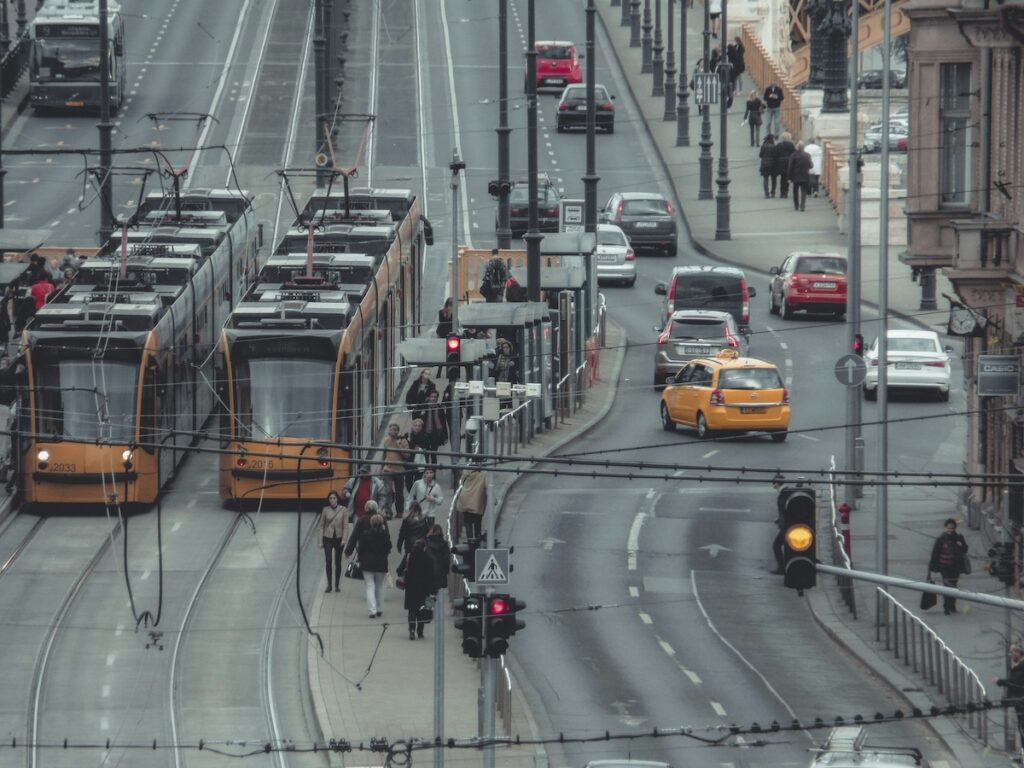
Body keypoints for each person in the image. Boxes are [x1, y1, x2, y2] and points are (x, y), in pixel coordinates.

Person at [345, 512, 392, 618]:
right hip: (381, 563)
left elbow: (360, 549)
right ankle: (380, 609)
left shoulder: (365, 534)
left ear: (371, 523)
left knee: (369, 586)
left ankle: (372, 611)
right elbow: (389, 547)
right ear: (382, 523)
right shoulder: (385, 535)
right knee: (379, 586)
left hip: (367, 564)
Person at [928, 518, 968, 615]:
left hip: (955, 567)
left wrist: (961, 545)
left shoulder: (959, 538)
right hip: (944, 567)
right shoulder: (940, 539)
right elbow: (935, 553)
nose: (950, 530)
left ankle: (952, 604)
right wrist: (932, 567)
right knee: (947, 586)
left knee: (954, 586)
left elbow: (965, 550)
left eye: (952, 528)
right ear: (945, 528)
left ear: (955, 528)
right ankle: (946, 607)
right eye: (948, 528)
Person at [403, 538, 436, 639]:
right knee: (422, 609)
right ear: (424, 547)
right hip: (424, 588)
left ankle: (412, 629)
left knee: (412, 609)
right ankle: (420, 632)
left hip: (411, 587)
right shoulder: (427, 558)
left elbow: (399, 569)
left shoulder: (409, 556)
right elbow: (431, 575)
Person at [996, 644, 1024, 748]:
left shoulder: (1021, 667)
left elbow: (1014, 684)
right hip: (1020, 702)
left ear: (1018, 653)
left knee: (1022, 727)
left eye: (1012, 653)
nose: (1011, 655)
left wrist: (1000, 681)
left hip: (1021, 703)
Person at [381, 423, 410, 519]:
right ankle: (388, 511)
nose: (392, 432)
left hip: (399, 470)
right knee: (388, 491)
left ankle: (399, 511)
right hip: (387, 469)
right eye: (391, 430)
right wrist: (382, 468)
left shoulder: (403, 441)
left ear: (398, 431)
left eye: (394, 430)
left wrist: (399, 446)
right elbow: (383, 455)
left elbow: (407, 455)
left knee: (399, 492)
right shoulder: (386, 441)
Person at [319, 490, 346, 593]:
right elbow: (321, 526)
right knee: (329, 560)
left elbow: (346, 526)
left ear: (337, 499)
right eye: (330, 498)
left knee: (338, 562)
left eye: (334, 498)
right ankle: (329, 585)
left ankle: (337, 585)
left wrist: (344, 539)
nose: (332, 500)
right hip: (327, 538)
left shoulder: (343, 510)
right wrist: (320, 541)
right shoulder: (325, 510)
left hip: (339, 538)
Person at [413, 390, 449, 465]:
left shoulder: (440, 409)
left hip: (435, 436)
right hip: (424, 435)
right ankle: (427, 471)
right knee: (425, 455)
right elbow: (415, 417)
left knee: (433, 455)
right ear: (429, 398)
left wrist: (445, 437)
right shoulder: (424, 407)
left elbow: (444, 423)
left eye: (435, 397)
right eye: (432, 397)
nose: (433, 399)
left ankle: (433, 472)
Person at [455, 462, 486, 541]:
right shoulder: (484, 473)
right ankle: (477, 540)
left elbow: (461, 482)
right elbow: (487, 487)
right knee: (477, 522)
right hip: (477, 501)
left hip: (466, 499)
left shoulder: (466, 471)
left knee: (468, 522)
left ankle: (470, 541)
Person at [788, 141, 813, 212]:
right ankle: (802, 206)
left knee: (795, 191)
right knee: (803, 191)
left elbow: (790, 167)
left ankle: (796, 205)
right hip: (805, 175)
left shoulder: (793, 155)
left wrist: (789, 177)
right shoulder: (807, 155)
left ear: (797, 147)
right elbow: (811, 166)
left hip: (795, 176)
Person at [407, 418, 430, 488]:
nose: (417, 427)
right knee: (408, 481)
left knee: (417, 481)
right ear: (413, 426)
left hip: (420, 462)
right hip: (410, 461)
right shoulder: (408, 436)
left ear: (422, 427)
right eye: (415, 425)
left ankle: (415, 496)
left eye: (419, 426)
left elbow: (426, 448)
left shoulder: (425, 436)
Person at [773, 131, 797, 200]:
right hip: (788, 163)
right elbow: (794, 153)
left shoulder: (779, 145)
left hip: (780, 163)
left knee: (782, 178)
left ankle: (781, 192)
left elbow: (775, 154)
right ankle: (785, 192)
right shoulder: (791, 145)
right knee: (787, 178)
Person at [759, 134, 778, 198]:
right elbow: (776, 155)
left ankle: (766, 193)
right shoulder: (774, 146)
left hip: (764, 163)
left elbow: (760, 155)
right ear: (771, 139)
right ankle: (773, 192)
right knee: (773, 179)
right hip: (773, 164)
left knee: (765, 178)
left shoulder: (763, 146)